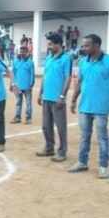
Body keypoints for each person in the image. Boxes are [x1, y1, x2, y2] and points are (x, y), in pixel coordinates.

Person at [69, 34, 109, 179]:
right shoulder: (83, 62)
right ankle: (82, 162)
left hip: (101, 108)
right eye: (83, 45)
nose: (83, 48)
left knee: (102, 138)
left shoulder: (108, 61)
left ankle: (104, 166)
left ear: (97, 46)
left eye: (87, 45)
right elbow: (79, 82)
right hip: (84, 106)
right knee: (84, 136)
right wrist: (73, 100)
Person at [36, 33, 72, 162]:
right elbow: (45, 77)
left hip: (57, 99)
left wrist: (62, 96)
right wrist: (40, 93)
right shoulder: (49, 58)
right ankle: (49, 147)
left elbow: (68, 78)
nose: (48, 46)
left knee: (60, 126)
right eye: (48, 44)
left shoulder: (66, 58)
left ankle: (62, 152)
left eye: (50, 44)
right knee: (46, 126)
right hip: (46, 97)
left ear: (58, 44)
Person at [11, 46, 35, 125]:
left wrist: (31, 84)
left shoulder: (30, 62)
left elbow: (32, 74)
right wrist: (13, 84)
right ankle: (17, 117)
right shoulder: (16, 62)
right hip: (18, 86)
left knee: (28, 102)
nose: (22, 53)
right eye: (21, 51)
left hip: (27, 86)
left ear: (27, 52)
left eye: (24, 51)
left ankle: (28, 118)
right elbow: (13, 74)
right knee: (18, 102)